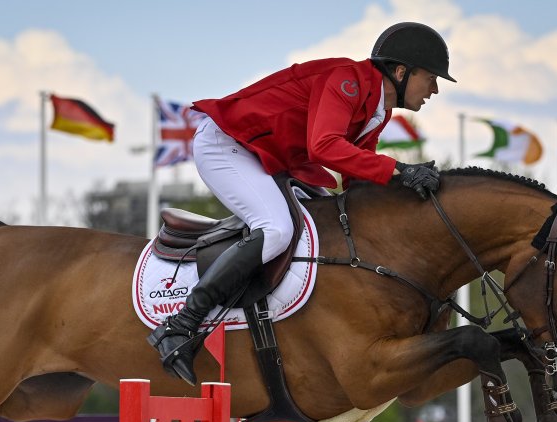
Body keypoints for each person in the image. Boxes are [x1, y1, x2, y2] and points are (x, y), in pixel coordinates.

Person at [148, 22, 455, 385]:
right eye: (431, 78)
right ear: (401, 71)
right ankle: (180, 325)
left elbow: (355, 179)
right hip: (228, 145)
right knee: (277, 230)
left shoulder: (378, 110)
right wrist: (401, 170)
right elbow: (323, 146)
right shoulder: (348, 81)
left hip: (275, 159)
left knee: (331, 227)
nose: (434, 89)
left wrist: (402, 193)